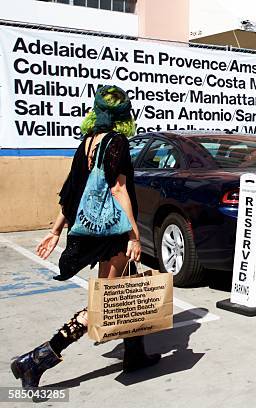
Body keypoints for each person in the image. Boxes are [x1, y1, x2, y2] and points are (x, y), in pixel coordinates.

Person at [10, 85, 160, 389]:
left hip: (92, 228)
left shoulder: (87, 143)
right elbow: (118, 190)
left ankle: (134, 354)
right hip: (113, 232)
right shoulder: (116, 142)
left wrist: (56, 230)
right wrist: (134, 235)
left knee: (128, 288)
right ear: (124, 115)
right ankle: (39, 357)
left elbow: (72, 190)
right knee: (106, 301)